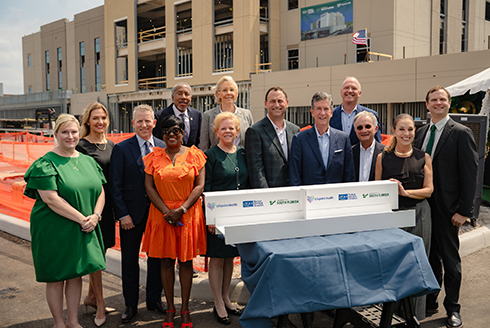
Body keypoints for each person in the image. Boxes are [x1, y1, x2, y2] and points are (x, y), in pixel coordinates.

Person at [24, 114, 106, 328]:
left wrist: (96, 216)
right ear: (55, 134)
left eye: (74, 132)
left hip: (84, 225)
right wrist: (83, 219)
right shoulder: (45, 163)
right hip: (55, 228)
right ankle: (59, 324)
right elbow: (50, 198)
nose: (70, 136)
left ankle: (73, 322)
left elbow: (101, 191)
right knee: (56, 276)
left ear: (79, 133)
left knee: (75, 274)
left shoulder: (88, 160)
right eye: (65, 132)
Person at [414, 86, 478, 328]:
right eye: (434, 100)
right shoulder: (420, 133)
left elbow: (470, 174)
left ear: (448, 103)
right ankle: (431, 300)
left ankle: (453, 308)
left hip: (450, 210)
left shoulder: (461, 133)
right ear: (427, 105)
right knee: (429, 259)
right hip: (424, 207)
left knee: (451, 262)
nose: (438, 103)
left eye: (442, 99)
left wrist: (464, 211)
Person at [142, 115, 207, 327]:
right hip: (162, 216)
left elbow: (199, 185)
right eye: (167, 131)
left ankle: (185, 309)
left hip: (187, 214)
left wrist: (181, 209)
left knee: (186, 263)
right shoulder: (153, 157)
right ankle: (170, 309)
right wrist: (166, 212)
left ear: (183, 133)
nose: (172, 134)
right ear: (162, 134)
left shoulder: (196, 155)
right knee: (166, 261)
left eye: (176, 130)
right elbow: (149, 187)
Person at [109, 105, 166, 323]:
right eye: (139, 121)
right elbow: (115, 185)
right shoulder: (122, 148)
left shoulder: (162, 147)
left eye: (148, 121)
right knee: (130, 261)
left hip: (158, 214)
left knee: (157, 259)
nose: (144, 125)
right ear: (133, 123)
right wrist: (122, 214)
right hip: (131, 217)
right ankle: (130, 304)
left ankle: (154, 299)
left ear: (154, 123)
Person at [375, 113, 434, 321]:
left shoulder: (423, 157)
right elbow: (378, 189)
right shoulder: (382, 157)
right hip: (393, 216)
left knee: (418, 262)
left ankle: (415, 314)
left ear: (414, 132)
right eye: (402, 129)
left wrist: (405, 193)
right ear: (394, 131)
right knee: (393, 262)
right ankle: (392, 312)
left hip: (420, 213)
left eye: (410, 129)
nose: (406, 133)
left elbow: (428, 190)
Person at [204, 112, 248, 325]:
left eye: (232, 128)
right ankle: (218, 303)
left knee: (231, 257)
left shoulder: (242, 153)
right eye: (224, 128)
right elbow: (206, 188)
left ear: (237, 131)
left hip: (236, 216)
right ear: (216, 132)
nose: (228, 131)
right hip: (217, 216)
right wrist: (210, 218)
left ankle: (226, 298)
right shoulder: (210, 155)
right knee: (218, 259)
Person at [76, 102, 116, 326]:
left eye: (103, 118)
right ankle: (100, 304)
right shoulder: (81, 146)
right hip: (91, 209)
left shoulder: (110, 145)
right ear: (88, 121)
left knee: (102, 251)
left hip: (108, 208)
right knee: (96, 258)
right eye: (95, 118)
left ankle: (91, 297)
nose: (100, 122)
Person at [289, 91, 355, 186]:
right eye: (318, 109)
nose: (322, 113)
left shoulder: (343, 139)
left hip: (336, 197)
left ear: (331, 112)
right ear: (312, 112)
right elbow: (294, 176)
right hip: (310, 198)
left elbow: (349, 174)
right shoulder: (299, 139)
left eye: (326, 109)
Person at [245, 86, 300, 188]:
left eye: (280, 101)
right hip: (270, 195)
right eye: (272, 101)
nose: (277, 105)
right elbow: (256, 171)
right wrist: (266, 196)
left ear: (287, 103)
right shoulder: (255, 131)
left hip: (293, 192)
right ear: (266, 104)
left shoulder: (295, 130)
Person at [199, 76, 254, 151]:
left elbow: (252, 142)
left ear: (236, 93)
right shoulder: (208, 116)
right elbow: (204, 146)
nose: (228, 93)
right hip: (217, 161)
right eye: (224, 90)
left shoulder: (247, 114)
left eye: (231, 90)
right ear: (219, 94)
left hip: (242, 160)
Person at [330, 77, 381, 145]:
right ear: (341, 92)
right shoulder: (330, 115)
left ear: (359, 93)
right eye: (346, 88)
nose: (350, 91)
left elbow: (377, 145)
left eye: (354, 88)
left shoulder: (371, 115)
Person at [154, 82, 202, 147]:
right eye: (179, 94)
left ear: (190, 98)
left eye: (186, 94)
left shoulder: (196, 114)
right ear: (172, 97)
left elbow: (198, 140)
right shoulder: (159, 116)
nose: (183, 97)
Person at [352, 111, 385, 182]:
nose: (364, 130)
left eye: (368, 126)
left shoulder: (386, 152)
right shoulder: (350, 153)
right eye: (360, 128)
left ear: (376, 129)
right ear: (355, 131)